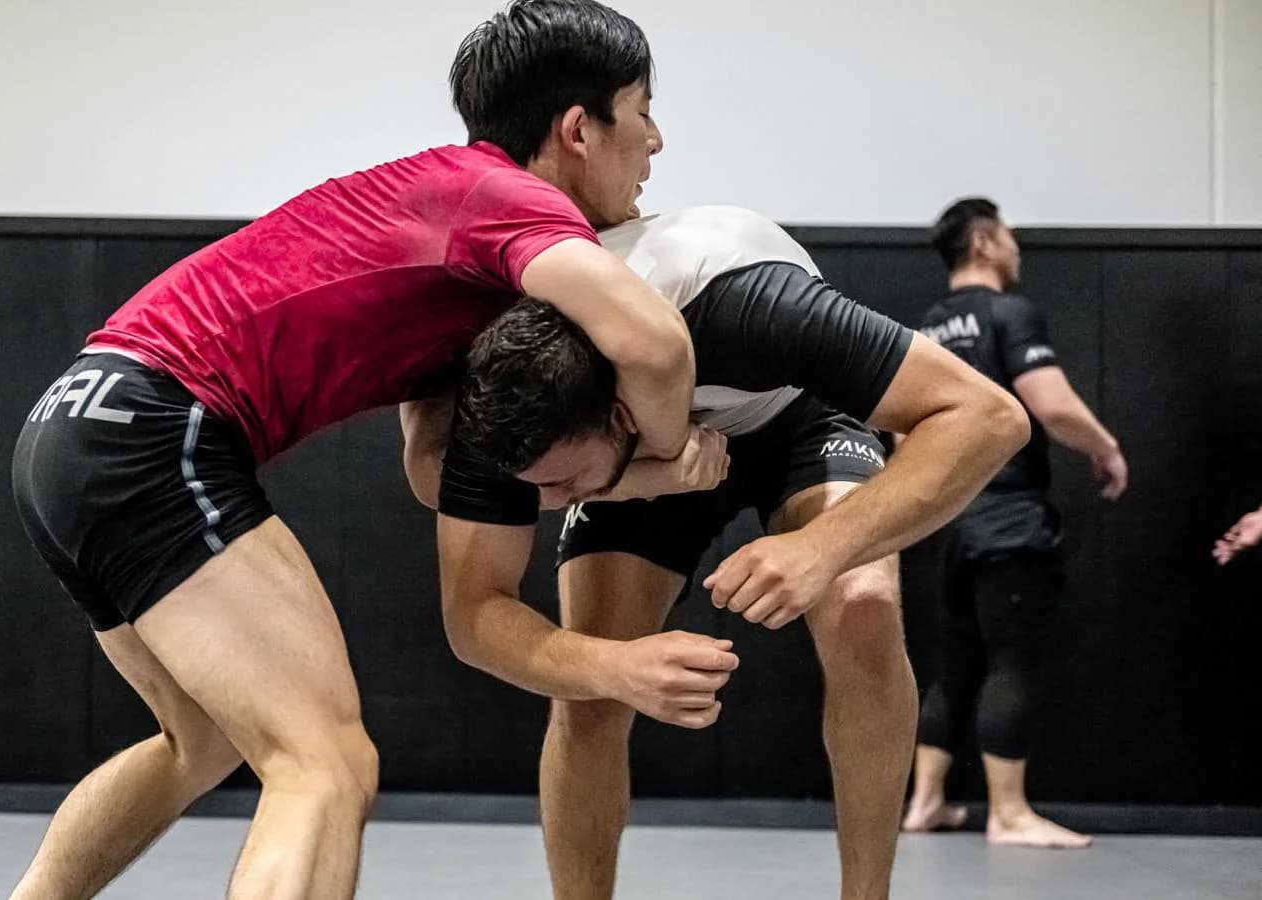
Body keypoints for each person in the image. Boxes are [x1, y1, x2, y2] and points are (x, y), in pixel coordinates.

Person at [6, 3, 698, 898]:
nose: (657, 141)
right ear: (578, 128)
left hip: (74, 424)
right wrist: (670, 461)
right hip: (157, 427)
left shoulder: (448, 223)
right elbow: (657, 345)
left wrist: (598, 473)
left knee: (204, 741)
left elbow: (429, 466)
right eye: (642, 108)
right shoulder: (509, 201)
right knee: (323, 764)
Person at [410, 205, 1029, 900]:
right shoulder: (511, 384)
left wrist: (822, 546)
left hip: (795, 414)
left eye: (562, 483)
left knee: (863, 606)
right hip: (650, 460)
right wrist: (609, 664)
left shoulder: (756, 304)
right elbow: (473, 618)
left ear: (618, 417)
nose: (548, 501)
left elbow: (993, 418)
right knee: (586, 688)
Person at [901, 196, 1128, 849]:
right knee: (1011, 661)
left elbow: (897, 432)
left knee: (958, 664)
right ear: (982, 242)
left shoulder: (927, 329)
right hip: (1008, 517)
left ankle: (926, 805)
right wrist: (1105, 447)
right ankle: (1008, 814)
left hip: (950, 522)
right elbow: (1050, 404)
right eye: (1009, 236)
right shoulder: (1009, 313)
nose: (1017, 248)